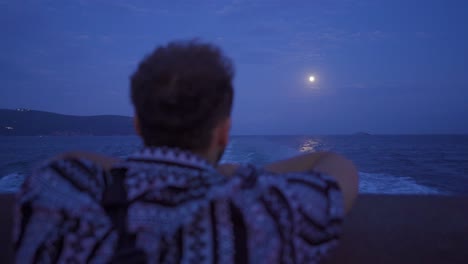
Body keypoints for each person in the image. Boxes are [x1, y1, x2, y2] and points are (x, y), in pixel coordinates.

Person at [15, 40, 359, 263]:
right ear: (223, 130)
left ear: (137, 123)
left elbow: (63, 162)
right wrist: (225, 173)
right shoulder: (268, 213)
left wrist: (140, 169)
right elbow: (338, 167)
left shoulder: (57, 198)